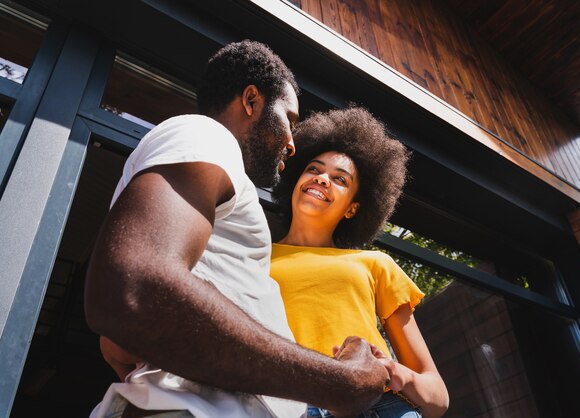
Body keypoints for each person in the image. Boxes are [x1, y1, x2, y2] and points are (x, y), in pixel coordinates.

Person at [85, 40, 390, 418]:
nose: (293, 144)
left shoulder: (212, 176)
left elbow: (121, 334)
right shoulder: (206, 135)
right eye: (290, 121)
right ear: (251, 101)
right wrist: (342, 382)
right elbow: (134, 287)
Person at [270, 107, 449, 418]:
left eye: (340, 179)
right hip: (285, 406)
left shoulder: (375, 263)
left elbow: (437, 397)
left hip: (378, 406)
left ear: (352, 209)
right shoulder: (254, 255)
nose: (322, 179)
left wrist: (394, 371)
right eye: (313, 169)